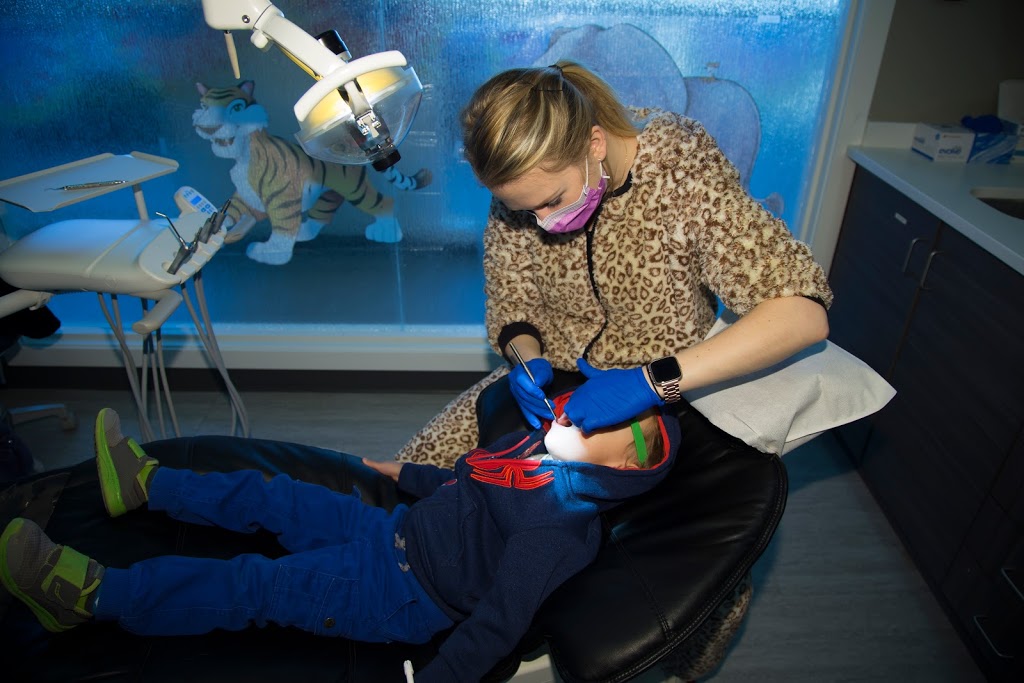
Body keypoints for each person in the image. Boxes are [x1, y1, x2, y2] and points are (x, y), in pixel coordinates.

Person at [0, 401, 679, 683]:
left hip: (398, 592)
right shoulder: (542, 450)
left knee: (254, 583)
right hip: (393, 529)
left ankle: (86, 595)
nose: (579, 410)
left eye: (601, 421)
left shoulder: (556, 531)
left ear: (622, 467)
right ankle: (147, 484)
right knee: (274, 496)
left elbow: (499, 624)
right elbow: (469, 482)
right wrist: (408, 475)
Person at [395, 60, 832, 468]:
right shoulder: (526, 180)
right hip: (558, 377)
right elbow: (513, 303)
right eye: (526, 211)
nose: (542, 223)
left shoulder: (679, 168)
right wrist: (526, 360)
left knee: (523, 505)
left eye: (552, 201)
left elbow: (802, 315)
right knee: (408, 471)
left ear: (595, 144)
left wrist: (651, 382)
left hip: (663, 387)